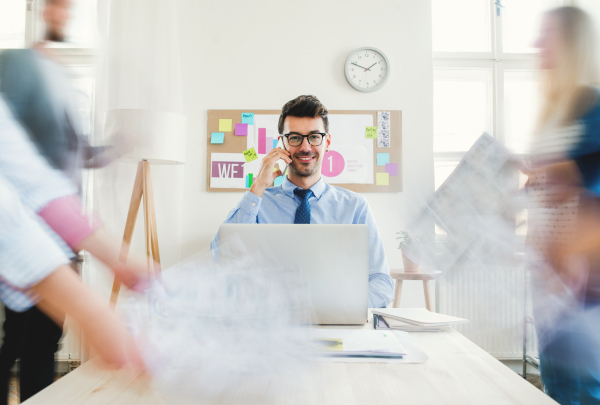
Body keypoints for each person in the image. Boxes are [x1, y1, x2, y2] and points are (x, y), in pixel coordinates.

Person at [210, 95, 394, 308]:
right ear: (282, 143)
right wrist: (258, 185)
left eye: (314, 137)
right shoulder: (258, 204)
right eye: (295, 137)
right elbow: (222, 256)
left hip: (337, 321)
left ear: (327, 142)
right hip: (272, 324)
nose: (305, 147)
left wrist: (346, 309)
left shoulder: (354, 207)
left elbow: (381, 281)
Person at [527, 6, 600, 404]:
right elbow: (547, 186)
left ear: (571, 42)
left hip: (584, 283)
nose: (536, 43)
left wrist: (555, 173)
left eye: (547, 34)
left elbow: (581, 178)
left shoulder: (592, 101)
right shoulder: (554, 111)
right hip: (550, 280)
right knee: (556, 384)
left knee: (583, 388)